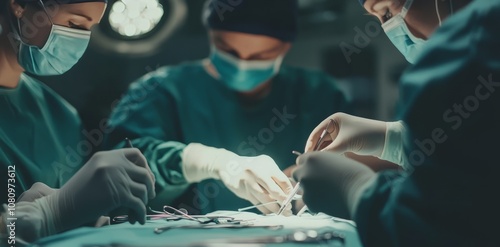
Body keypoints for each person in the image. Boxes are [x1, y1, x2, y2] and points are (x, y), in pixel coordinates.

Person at [294, 0, 500, 247]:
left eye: (388, 11)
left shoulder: (478, 46)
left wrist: (358, 191)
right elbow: (479, 158)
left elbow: (429, 237)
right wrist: (389, 138)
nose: (390, 29)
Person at [104, 0, 353, 215]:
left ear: (285, 47)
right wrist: (207, 161)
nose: (243, 64)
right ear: (212, 35)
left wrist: (318, 183)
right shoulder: (161, 91)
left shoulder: (318, 94)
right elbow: (117, 165)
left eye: (259, 56)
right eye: (228, 50)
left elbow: (355, 165)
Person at [1, 0, 155, 245]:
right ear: (18, 5)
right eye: (74, 23)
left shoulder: (60, 115)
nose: (80, 40)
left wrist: (82, 214)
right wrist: (48, 215)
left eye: (89, 29)